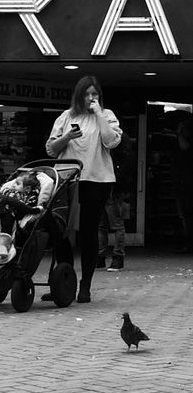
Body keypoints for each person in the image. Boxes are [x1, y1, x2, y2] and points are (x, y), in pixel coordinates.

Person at [46, 76, 121, 304]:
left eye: (95, 94)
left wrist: (98, 114)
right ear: (79, 95)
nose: (91, 98)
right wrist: (67, 136)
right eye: (87, 94)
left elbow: (111, 142)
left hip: (96, 180)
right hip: (67, 180)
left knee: (88, 232)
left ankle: (85, 287)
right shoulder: (66, 116)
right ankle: (65, 282)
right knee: (60, 232)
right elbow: (50, 149)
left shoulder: (106, 116)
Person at [97, 130, 134, 270]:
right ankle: (109, 256)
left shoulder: (116, 138)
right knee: (107, 223)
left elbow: (126, 162)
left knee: (112, 223)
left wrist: (116, 179)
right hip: (108, 181)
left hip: (109, 183)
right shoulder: (117, 138)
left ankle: (113, 256)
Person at [170, 118, 193, 254]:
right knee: (187, 216)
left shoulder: (189, 147)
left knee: (188, 215)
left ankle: (191, 243)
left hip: (187, 185)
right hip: (185, 184)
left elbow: (184, 148)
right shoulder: (192, 147)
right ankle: (192, 242)